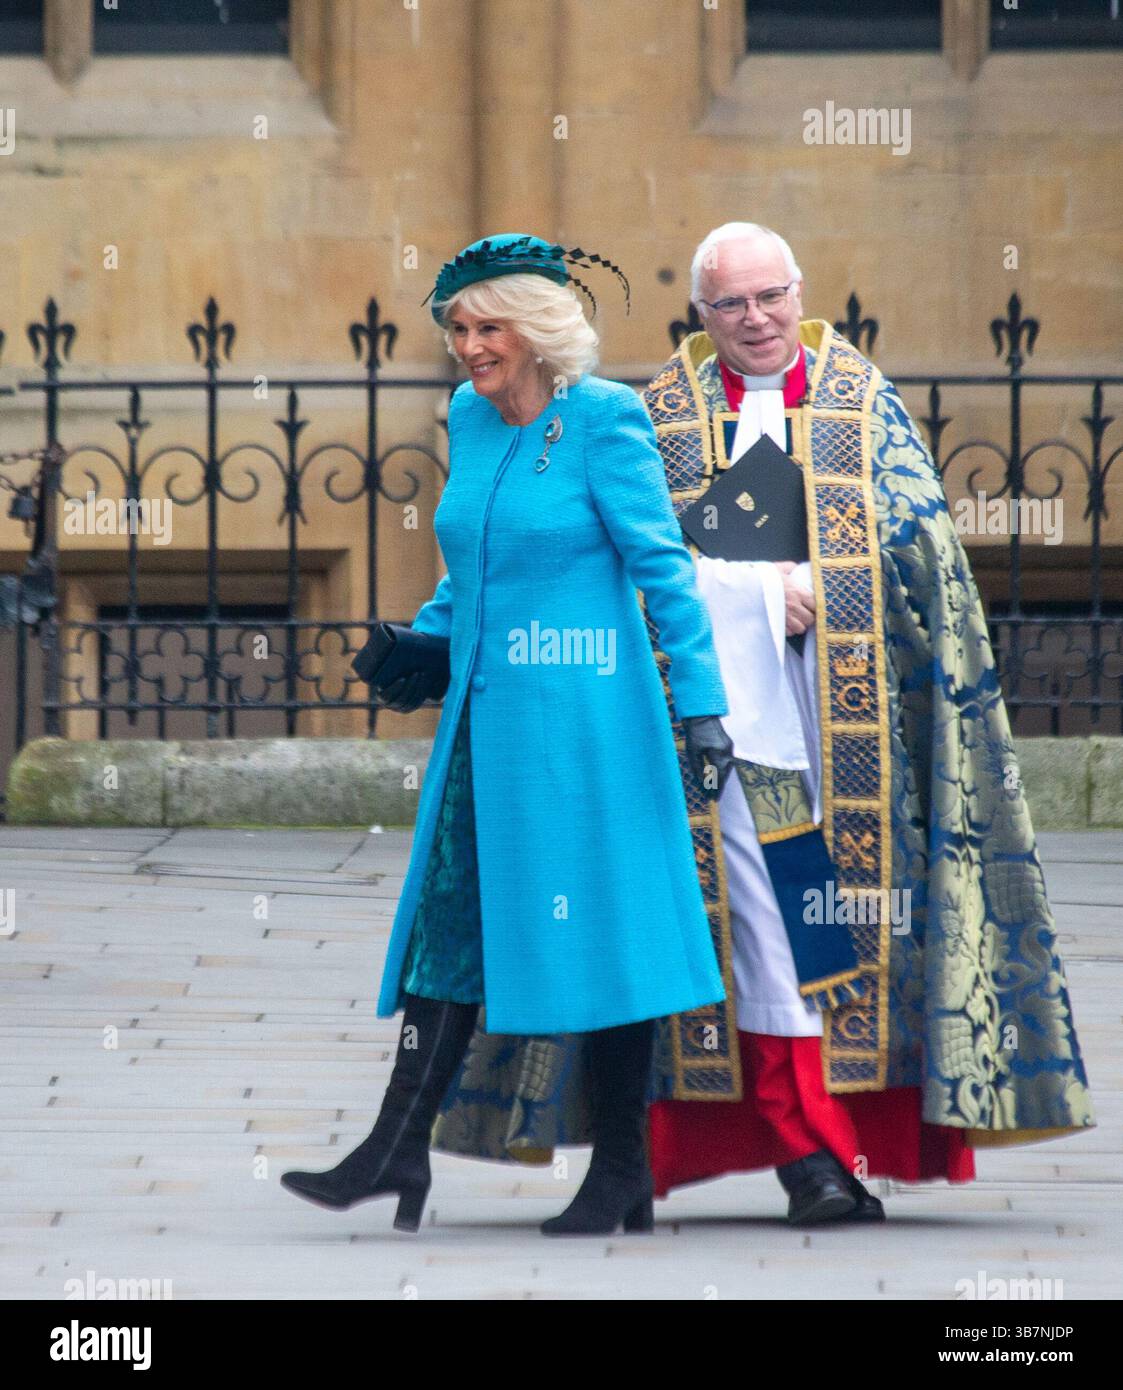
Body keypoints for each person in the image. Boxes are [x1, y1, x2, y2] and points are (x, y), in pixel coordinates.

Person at [639, 221, 1095, 1223]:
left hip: (851, 734)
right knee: (767, 934)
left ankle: (835, 1140)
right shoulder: (659, 420)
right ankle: (806, 1152)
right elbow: (639, 565)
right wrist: (763, 593)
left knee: (836, 933)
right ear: (700, 313)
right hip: (727, 731)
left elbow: (920, 546)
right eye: (731, 304)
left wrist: (826, 583)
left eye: (771, 297)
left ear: (798, 294)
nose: (755, 320)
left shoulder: (861, 403)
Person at [281, 234, 734, 1236]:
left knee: (611, 938)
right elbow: (474, 565)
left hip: (590, 728)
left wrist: (700, 706)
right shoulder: (470, 420)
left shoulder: (604, 420)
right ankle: (395, 1151)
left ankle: (621, 1171)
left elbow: (664, 570)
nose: (469, 346)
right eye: (456, 328)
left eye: (487, 327)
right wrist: (421, 639)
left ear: (535, 330)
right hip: (485, 725)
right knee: (445, 929)